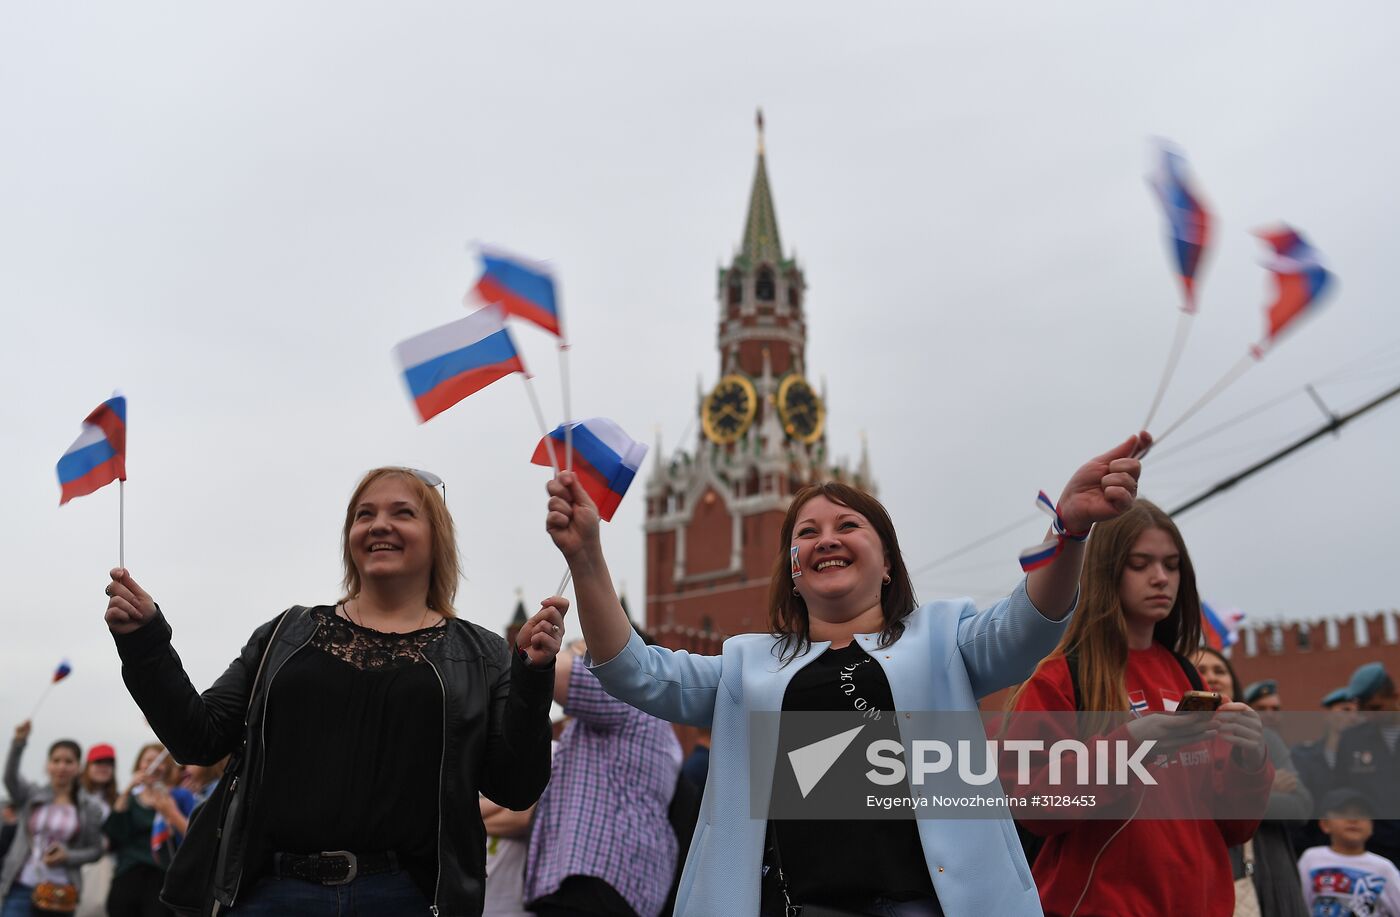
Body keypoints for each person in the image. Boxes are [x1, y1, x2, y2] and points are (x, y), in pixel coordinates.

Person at [546, 432, 1152, 916]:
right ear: (793, 571)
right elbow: (636, 673)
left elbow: (1029, 624)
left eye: (847, 526)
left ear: (887, 562)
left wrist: (1071, 528)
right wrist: (586, 557)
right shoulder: (746, 666)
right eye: (807, 533)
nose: (826, 540)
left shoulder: (943, 639)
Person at [103, 466, 565, 916]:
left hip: (411, 898)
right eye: (364, 514)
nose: (379, 524)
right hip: (271, 894)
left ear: (437, 537)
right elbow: (198, 739)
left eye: (402, 512)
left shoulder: (482, 653)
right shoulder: (285, 634)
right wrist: (145, 641)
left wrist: (532, 676)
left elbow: (516, 787)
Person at [1008, 500, 1272, 917]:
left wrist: (1251, 759)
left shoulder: (1189, 676)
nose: (1161, 578)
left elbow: (1236, 828)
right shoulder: (1059, 677)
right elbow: (1031, 804)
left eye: (1172, 565)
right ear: (1107, 570)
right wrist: (1130, 745)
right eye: (1140, 564)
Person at [524, 638, 681, 917]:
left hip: (595, 880)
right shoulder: (658, 723)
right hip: (619, 884)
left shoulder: (628, 695)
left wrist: (576, 649)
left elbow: (548, 665)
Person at [1194, 647, 1310, 917]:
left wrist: (1224, 795)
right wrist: (1261, 784)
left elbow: (1300, 806)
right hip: (1204, 867)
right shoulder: (1175, 741)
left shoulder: (1265, 738)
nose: (1213, 676)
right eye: (1201, 670)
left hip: (1269, 864)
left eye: (1220, 670)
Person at [1, 722, 105, 917]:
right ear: (47, 764)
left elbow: (96, 850)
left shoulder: (89, 807)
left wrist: (68, 856)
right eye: (56, 760)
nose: (61, 767)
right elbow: (9, 779)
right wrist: (18, 743)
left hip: (61, 892)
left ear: (78, 767)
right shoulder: (32, 795)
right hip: (21, 885)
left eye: (68, 761)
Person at [1334, 662, 1400, 867]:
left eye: (1376, 708)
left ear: (1395, 697)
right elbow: (1342, 790)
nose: (1370, 715)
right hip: (1375, 849)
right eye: (1364, 710)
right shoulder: (1352, 740)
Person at [103, 743, 179, 917]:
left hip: (161, 875)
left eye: (159, 761)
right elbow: (114, 833)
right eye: (148, 761)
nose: (154, 766)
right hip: (129, 871)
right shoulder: (130, 798)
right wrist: (128, 790)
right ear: (139, 764)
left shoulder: (176, 797)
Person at [1297, 788, 1400, 917]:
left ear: (1372, 826)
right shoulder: (1311, 858)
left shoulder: (1383, 868)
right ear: (1325, 824)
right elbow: (1298, 903)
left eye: (1361, 814)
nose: (1353, 820)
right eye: (1343, 813)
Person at [1292, 688, 1361, 853]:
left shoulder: (1364, 759)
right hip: (1311, 844)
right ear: (1327, 714)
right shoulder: (1303, 756)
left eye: (1357, 712)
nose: (1353, 717)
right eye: (1345, 710)